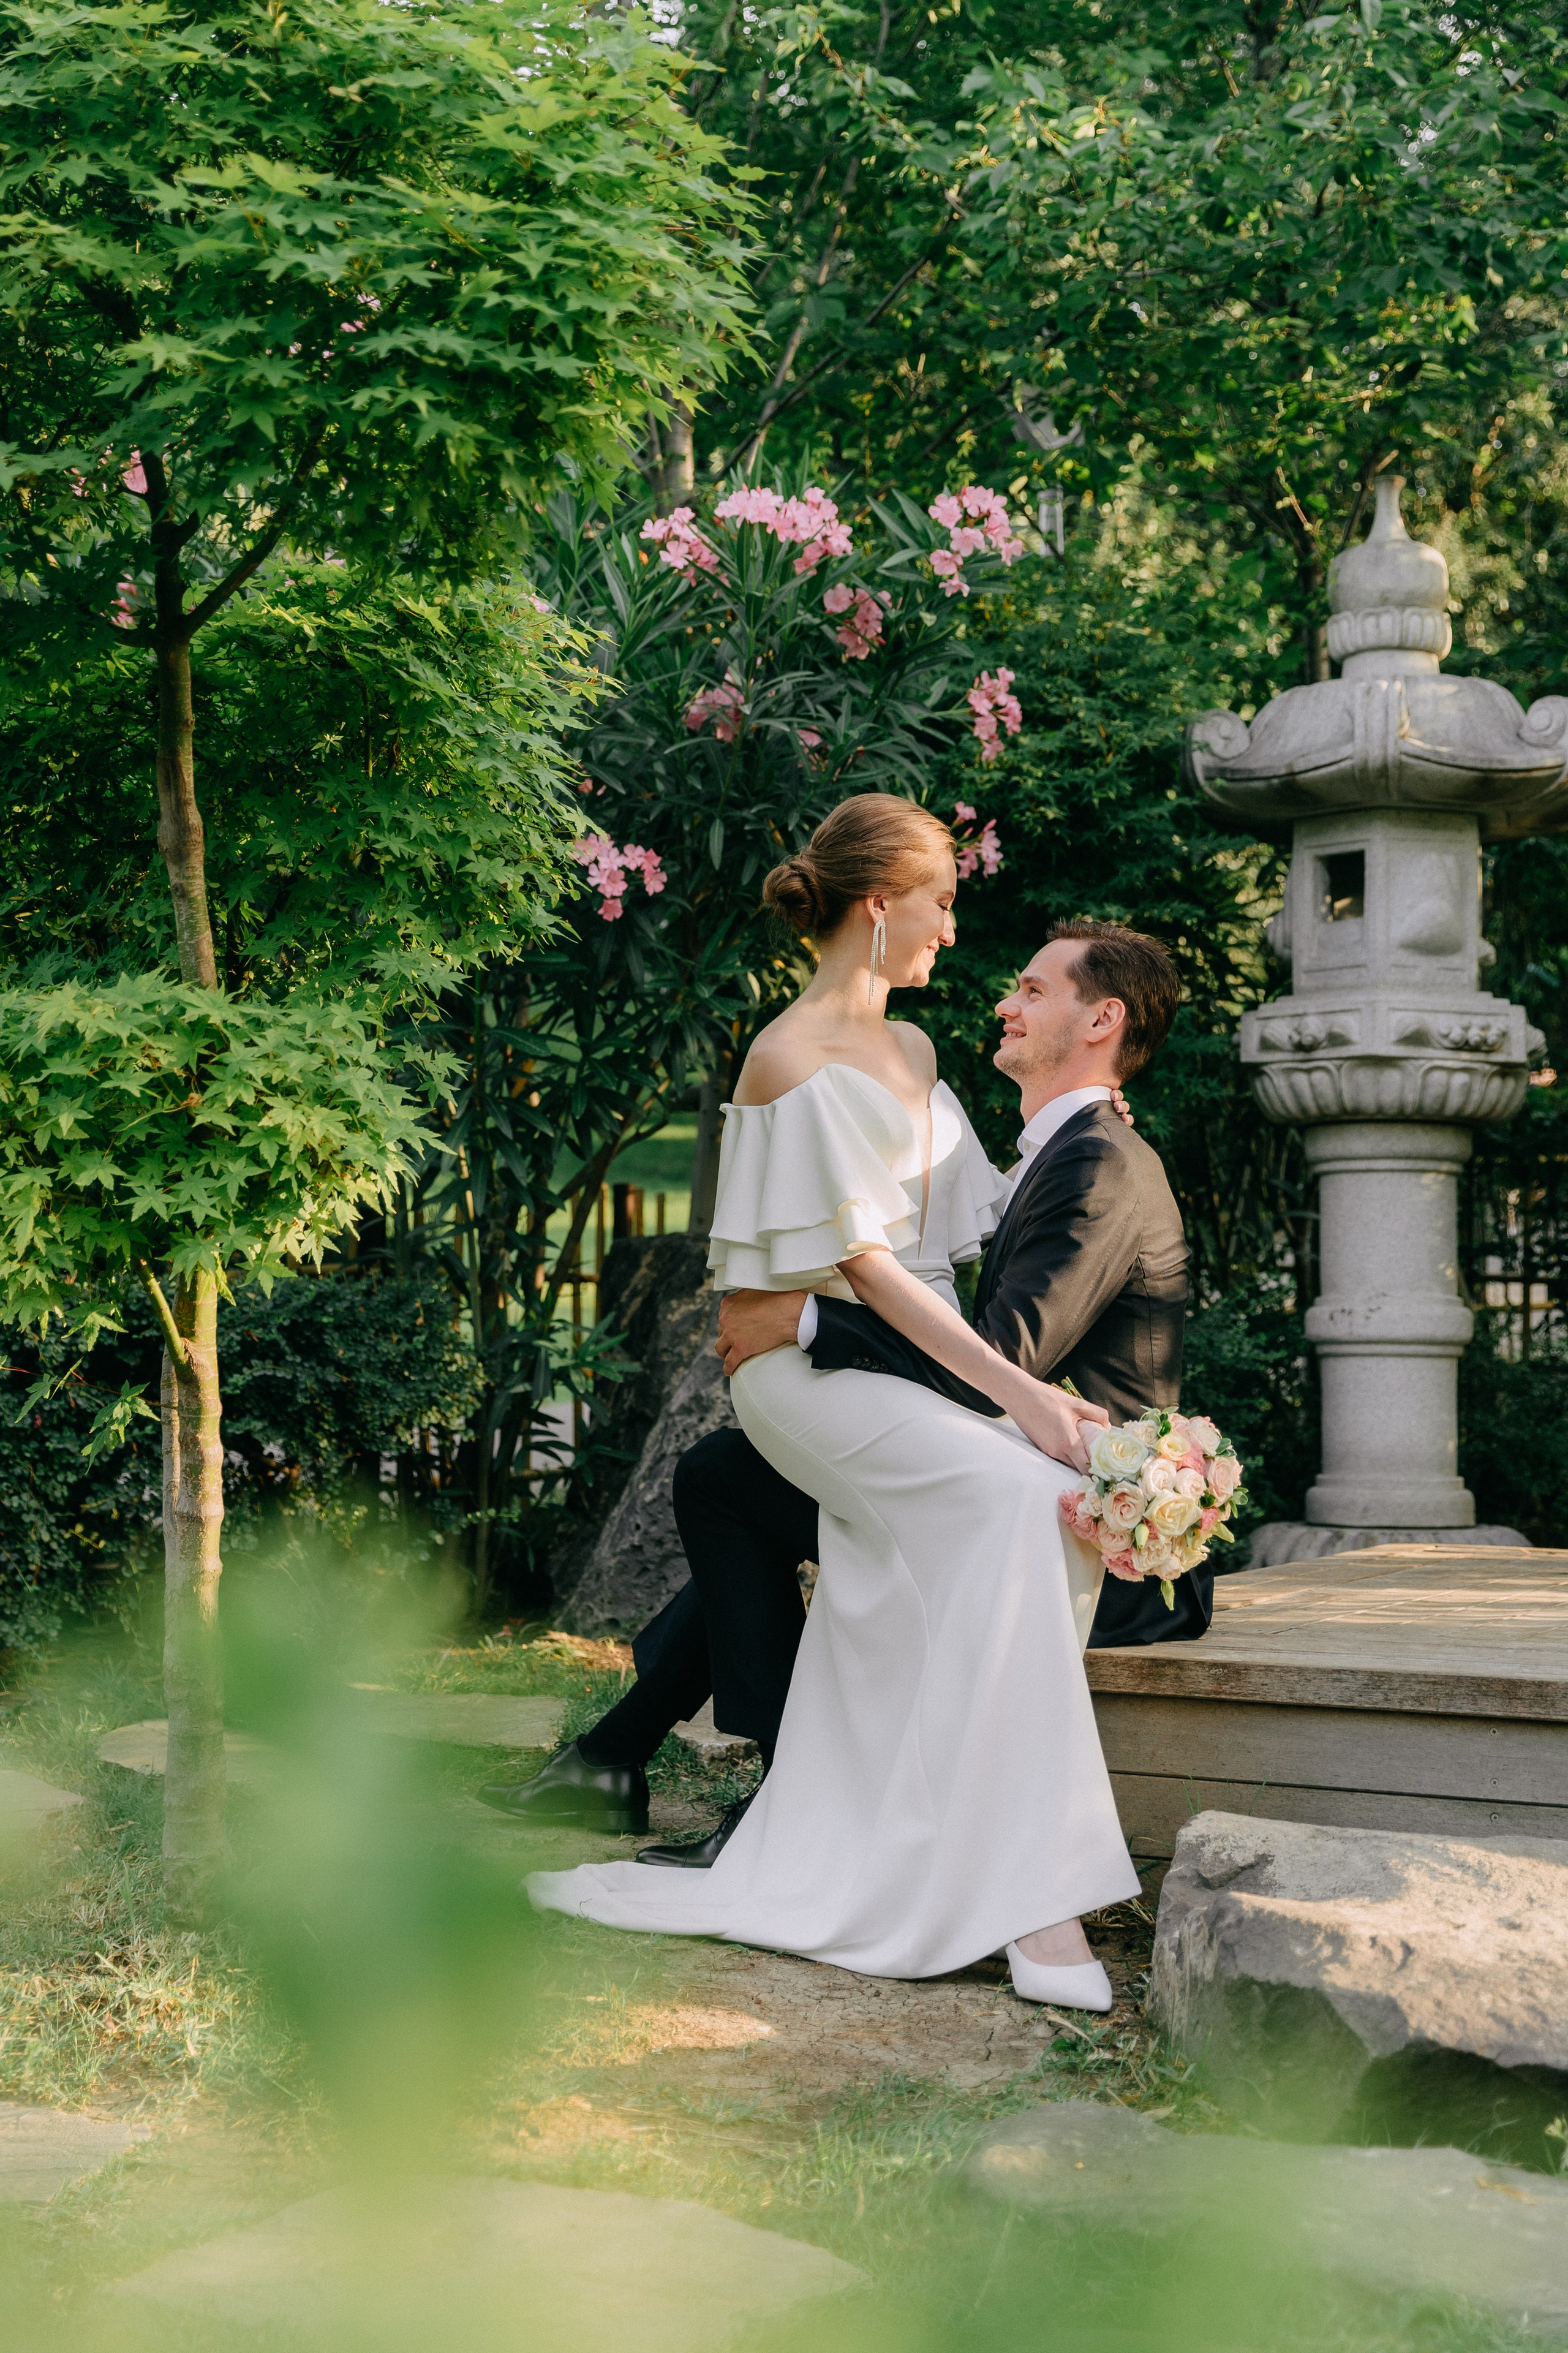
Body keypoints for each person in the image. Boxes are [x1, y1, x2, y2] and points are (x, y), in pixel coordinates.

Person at [524, 794, 1144, 2009]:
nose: (950, 934)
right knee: (1029, 1494)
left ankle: (926, 1845)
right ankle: (1039, 1904)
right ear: (878, 906)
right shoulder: (784, 1058)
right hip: (804, 1379)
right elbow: (861, 1265)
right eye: (940, 904)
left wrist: (1091, 1133)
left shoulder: (911, 1055)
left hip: (900, 1364)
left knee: (1059, 1503)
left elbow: (946, 1245)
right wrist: (1025, 1398)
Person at [484, 920, 1196, 1865]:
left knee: (726, 1482)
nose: (1004, 1002)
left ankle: (762, 1790)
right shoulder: (1066, 1148)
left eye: (1031, 990)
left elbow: (998, 1356)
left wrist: (804, 1323)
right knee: (728, 1473)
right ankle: (622, 1757)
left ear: (1102, 1018)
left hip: (1085, 1543)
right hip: (1011, 1473)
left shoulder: (1101, 1161)